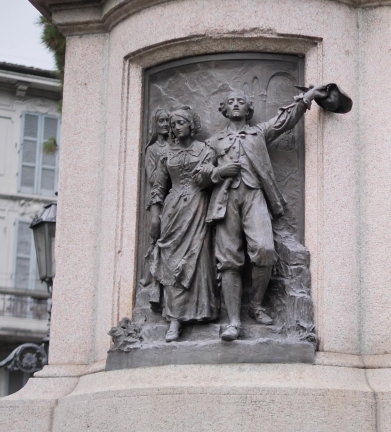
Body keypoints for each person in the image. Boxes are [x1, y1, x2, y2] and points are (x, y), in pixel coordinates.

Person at [206, 85, 330, 341]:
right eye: (232, 101)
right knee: (229, 261)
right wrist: (220, 171)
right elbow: (199, 173)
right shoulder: (214, 142)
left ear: (249, 109)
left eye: (242, 100)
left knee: (264, 250)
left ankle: (255, 305)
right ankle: (233, 322)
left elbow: (283, 121)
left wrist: (308, 98)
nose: (237, 103)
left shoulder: (258, 133)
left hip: (254, 197)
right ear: (225, 110)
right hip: (225, 201)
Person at [148, 107, 218, 341]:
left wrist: (209, 175)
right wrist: (154, 216)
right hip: (173, 210)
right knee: (172, 262)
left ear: (191, 125)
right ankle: (174, 320)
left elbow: (213, 179)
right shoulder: (166, 153)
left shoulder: (206, 150)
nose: (175, 127)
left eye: (180, 122)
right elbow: (158, 187)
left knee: (198, 259)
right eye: (173, 123)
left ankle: (202, 312)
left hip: (198, 207)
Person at [137, 107, 171, 310]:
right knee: (157, 239)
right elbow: (152, 178)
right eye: (162, 122)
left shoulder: (176, 145)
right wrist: (165, 166)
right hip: (159, 198)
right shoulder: (152, 150)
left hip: (177, 200)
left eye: (168, 121)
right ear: (155, 125)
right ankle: (150, 283)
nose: (166, 125)